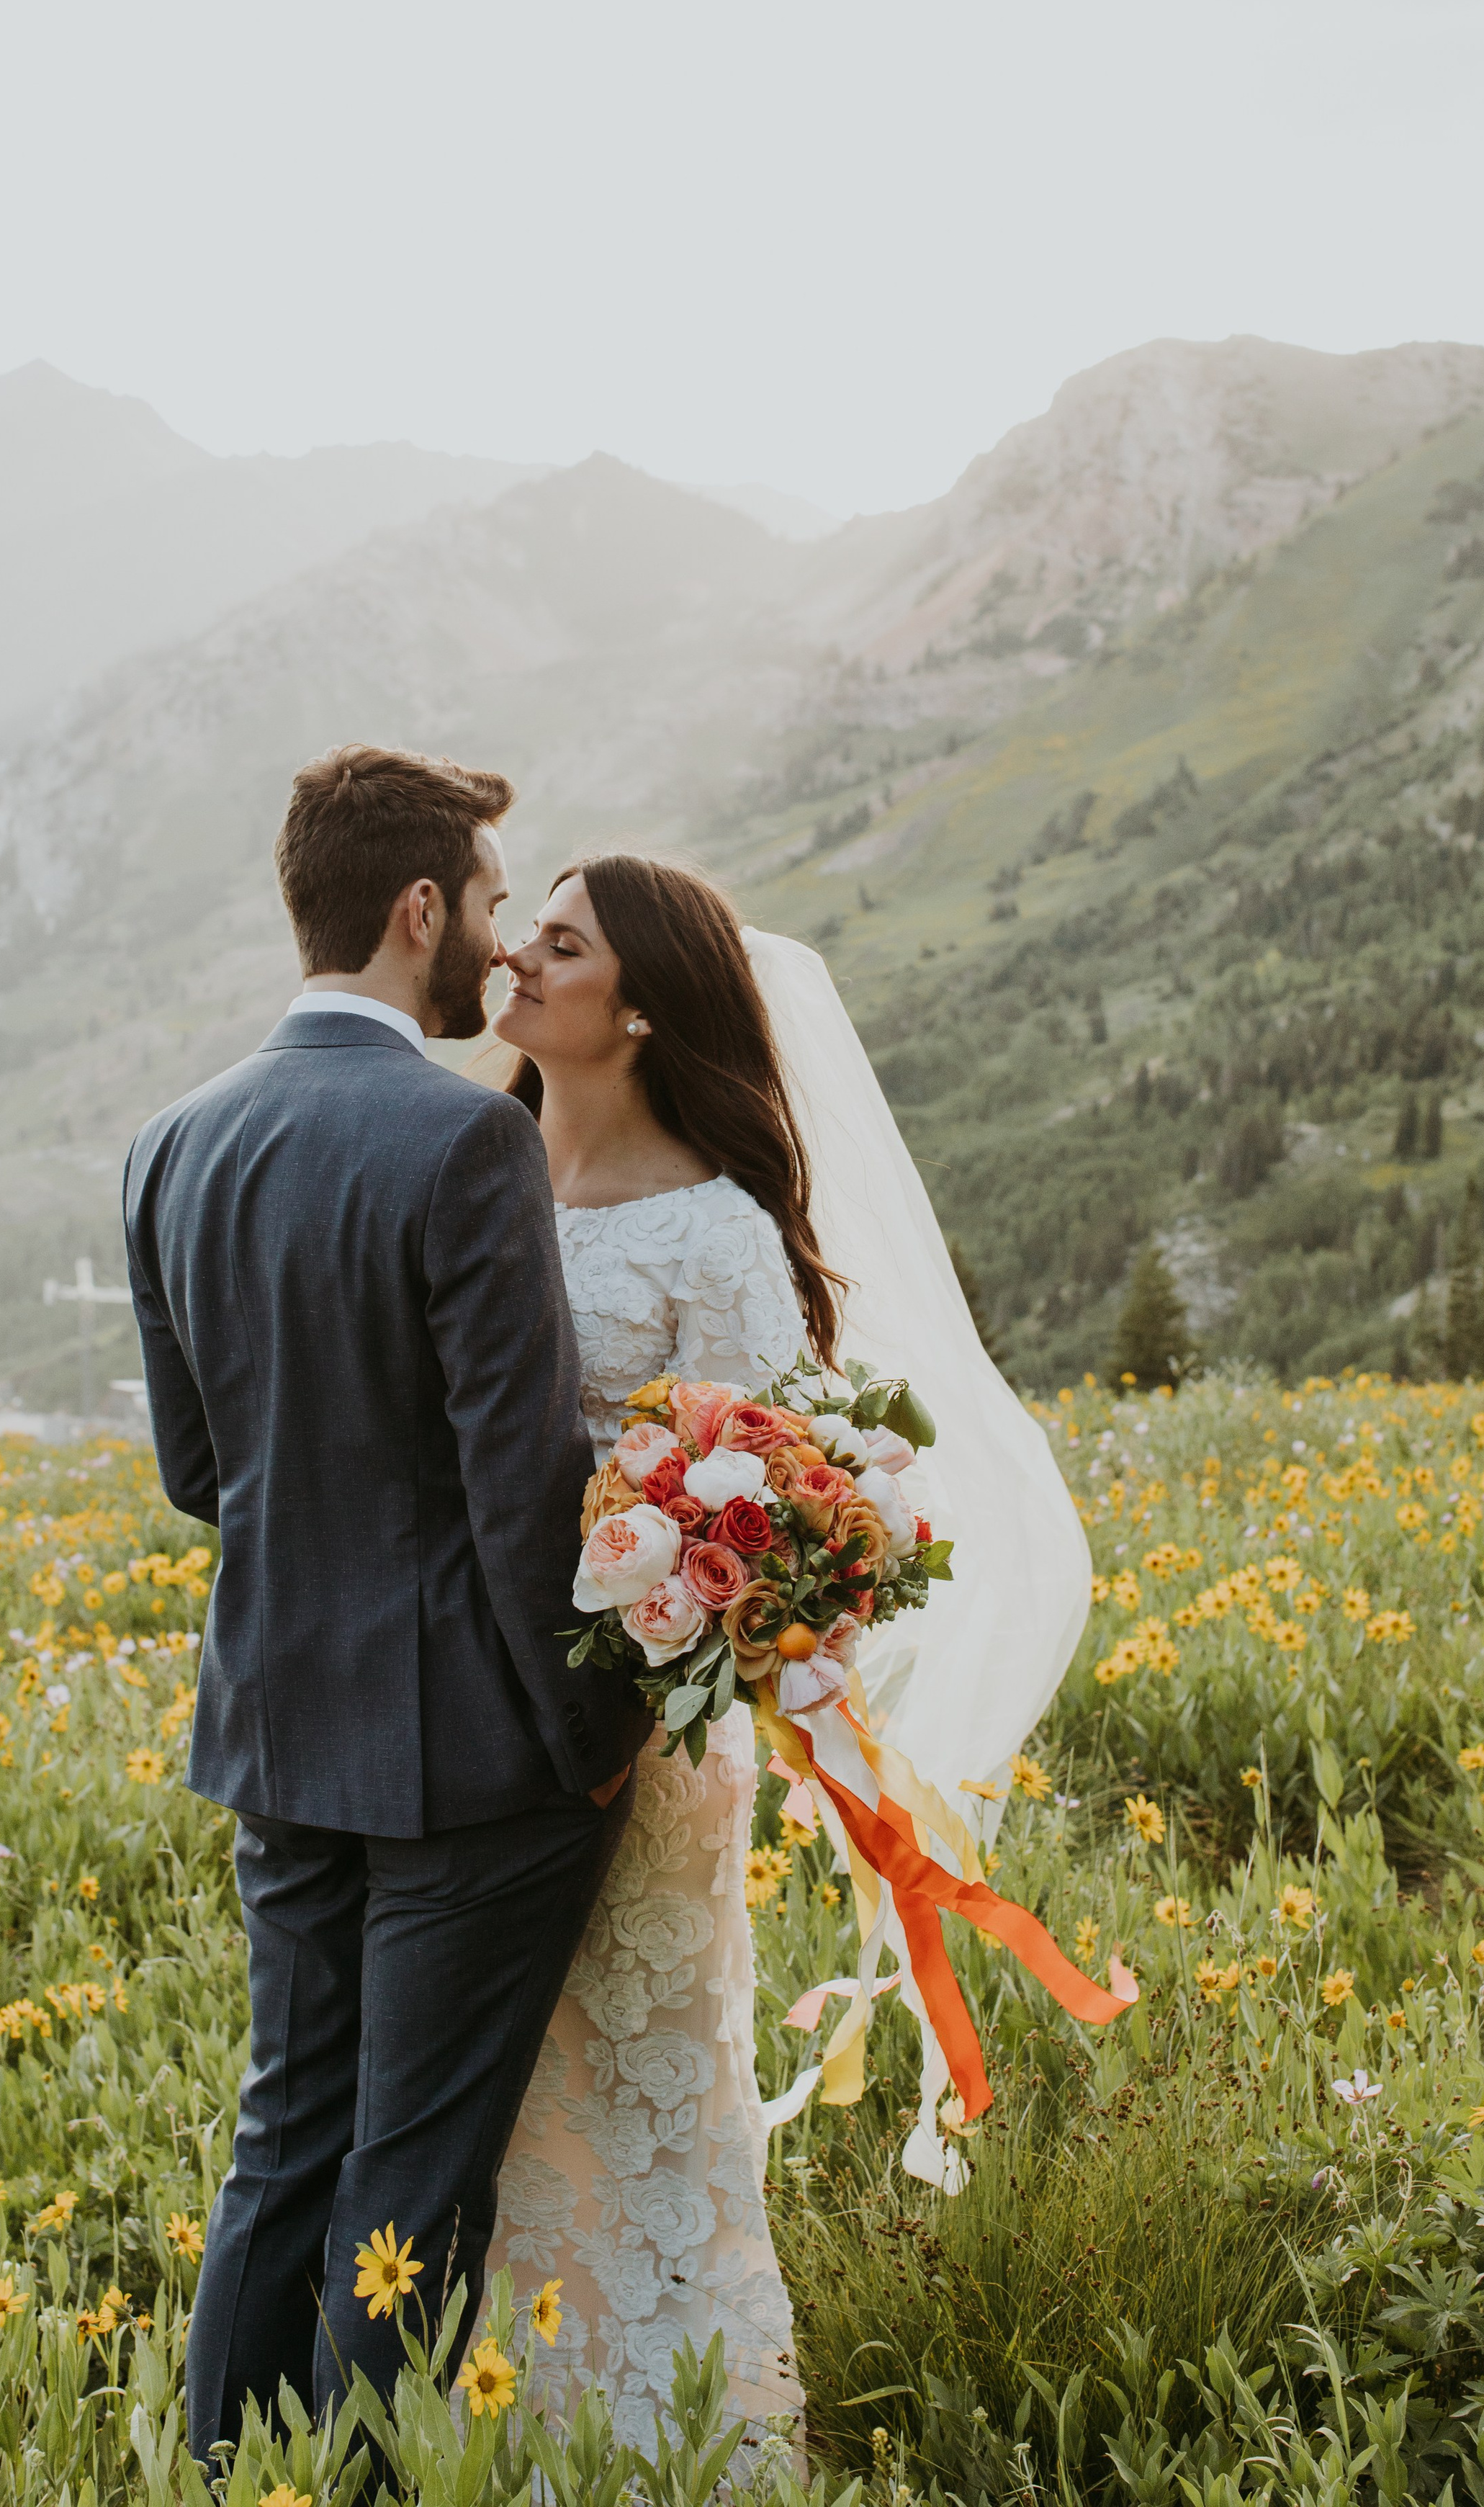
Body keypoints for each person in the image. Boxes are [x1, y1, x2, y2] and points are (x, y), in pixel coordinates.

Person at [122, 745, 651, 2467]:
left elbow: (201, 1477)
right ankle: (352, 2489)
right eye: (491, 904)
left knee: (283, 2144)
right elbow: (521, 1500)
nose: (496, 944)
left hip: (275, 1740)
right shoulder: (462, 1141)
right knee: (413, 2174)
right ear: (417, 906)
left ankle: (228, 2479)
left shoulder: (167, 1147)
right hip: (475, 1772)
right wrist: (589, 1742)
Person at [480, 854, 842, 2445]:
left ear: (634, 1005)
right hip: (455, 1700)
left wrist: (657, 1648)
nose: (518, 957)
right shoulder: (465, 1166)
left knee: (629, 2077)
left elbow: (763, 1497)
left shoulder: (713, 1234)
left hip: (641, 1722)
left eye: (560, 942)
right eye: (524, 928)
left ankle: (661, 2429)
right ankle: (478, 2413)